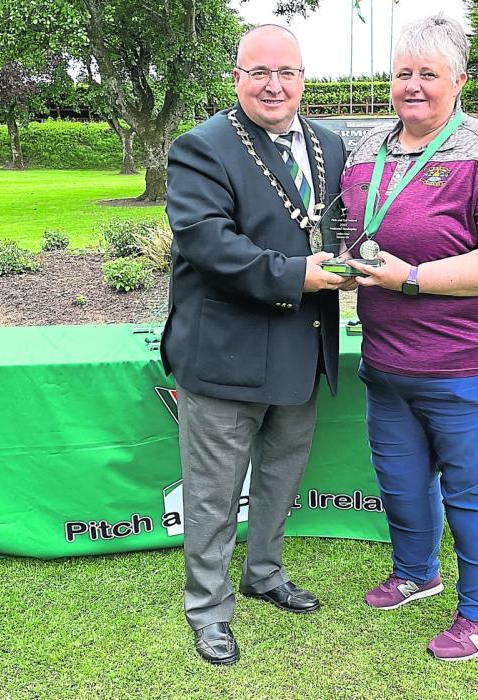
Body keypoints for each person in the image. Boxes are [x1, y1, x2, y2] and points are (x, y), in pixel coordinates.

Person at [339, 13, 478, 662]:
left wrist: (413, 279)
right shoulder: (368, 147)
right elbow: (352, 228)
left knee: (475, 490)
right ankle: (416, 573)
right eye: (404, 73)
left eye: (429, 74)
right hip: (390, 360)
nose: (414, 86)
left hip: (474, 364)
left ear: (458, 80)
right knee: (400, 478)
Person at [161, 24, 349, 665]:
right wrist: (298, 274)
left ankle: (264, 572)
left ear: (303, 78)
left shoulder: (329, 142)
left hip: (303, 347)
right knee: (213, 493)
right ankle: (207, 610)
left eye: (288, 72)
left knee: (281, 477)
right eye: (260, 71)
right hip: (227, 356)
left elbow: (340, 228)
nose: (275, 85)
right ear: (236, 76)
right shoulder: (201, 147)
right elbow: (207, 243)